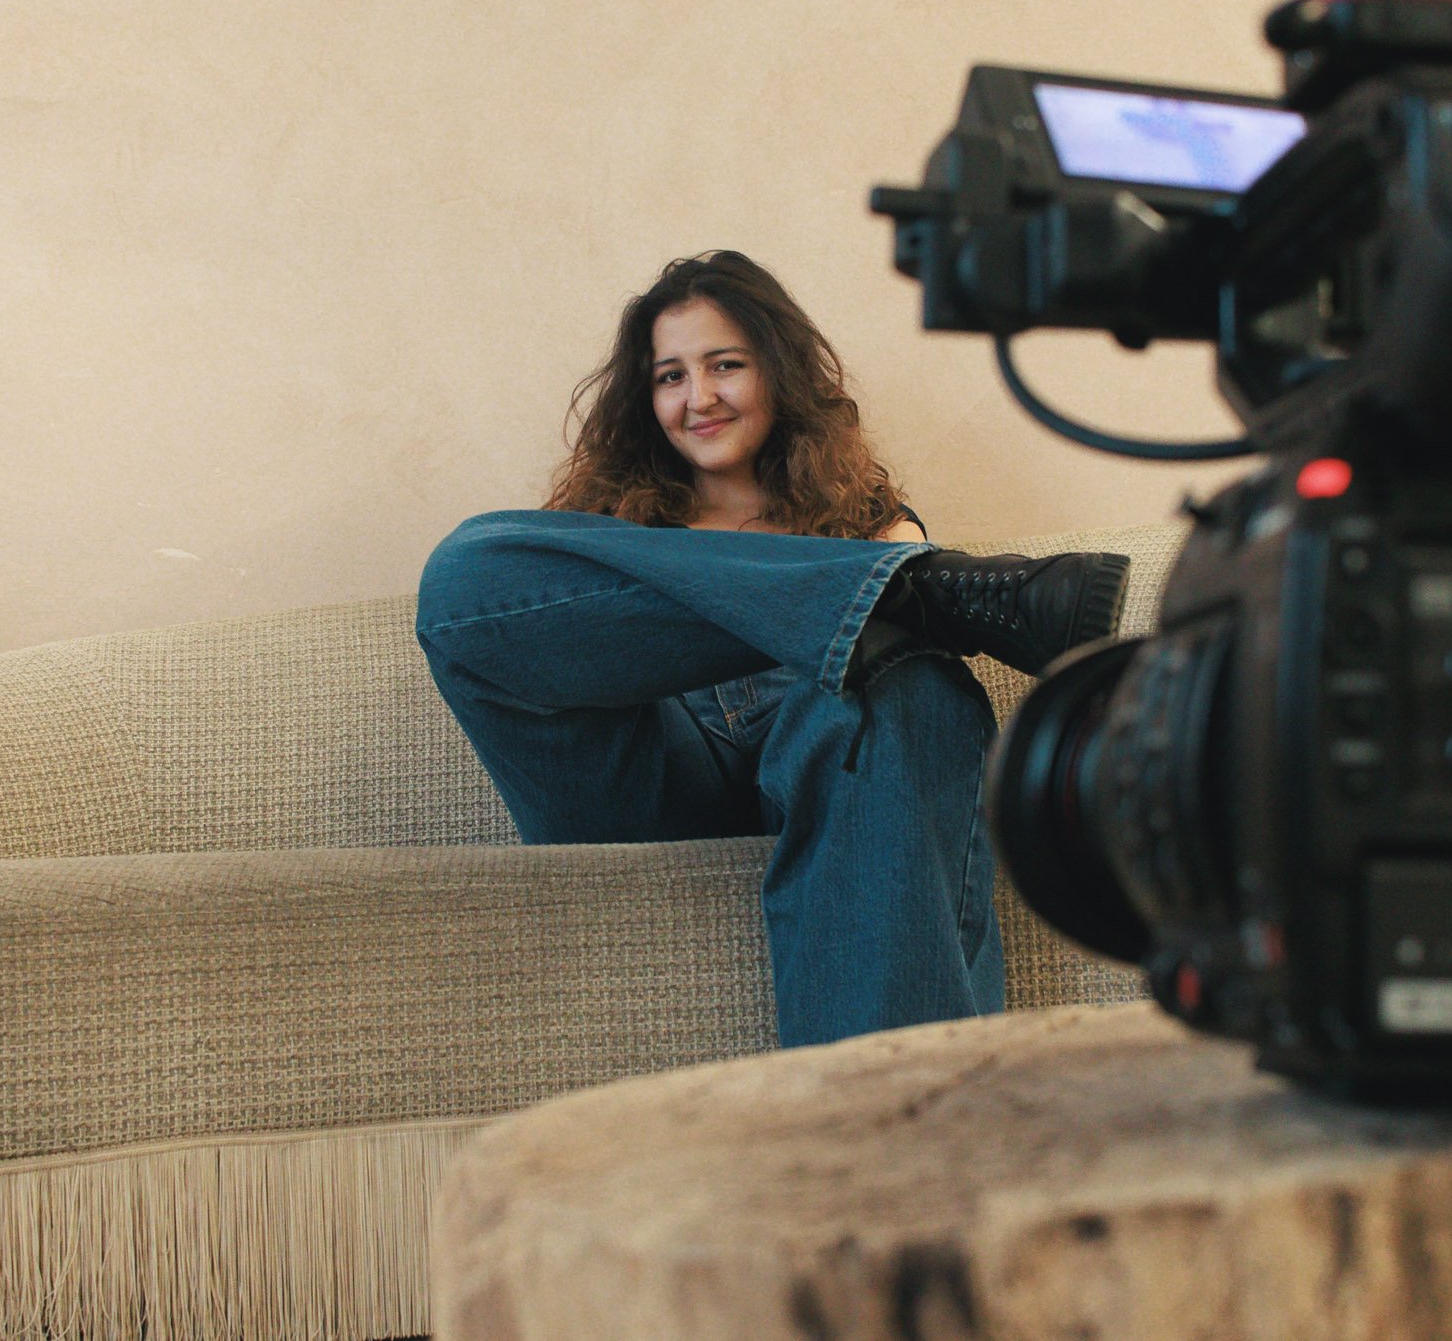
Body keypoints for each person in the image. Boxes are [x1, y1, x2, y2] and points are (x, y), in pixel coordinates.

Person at [416, 251, 1127, 1047]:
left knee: (911, 685)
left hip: (825, 753)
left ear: (777, 372)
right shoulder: (611, 531)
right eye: (670, 376)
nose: (699, 397)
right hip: (654, 771)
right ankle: (900, 594)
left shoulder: (869, 513)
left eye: (726, 365)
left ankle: (884, 1124)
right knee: (461, 578)